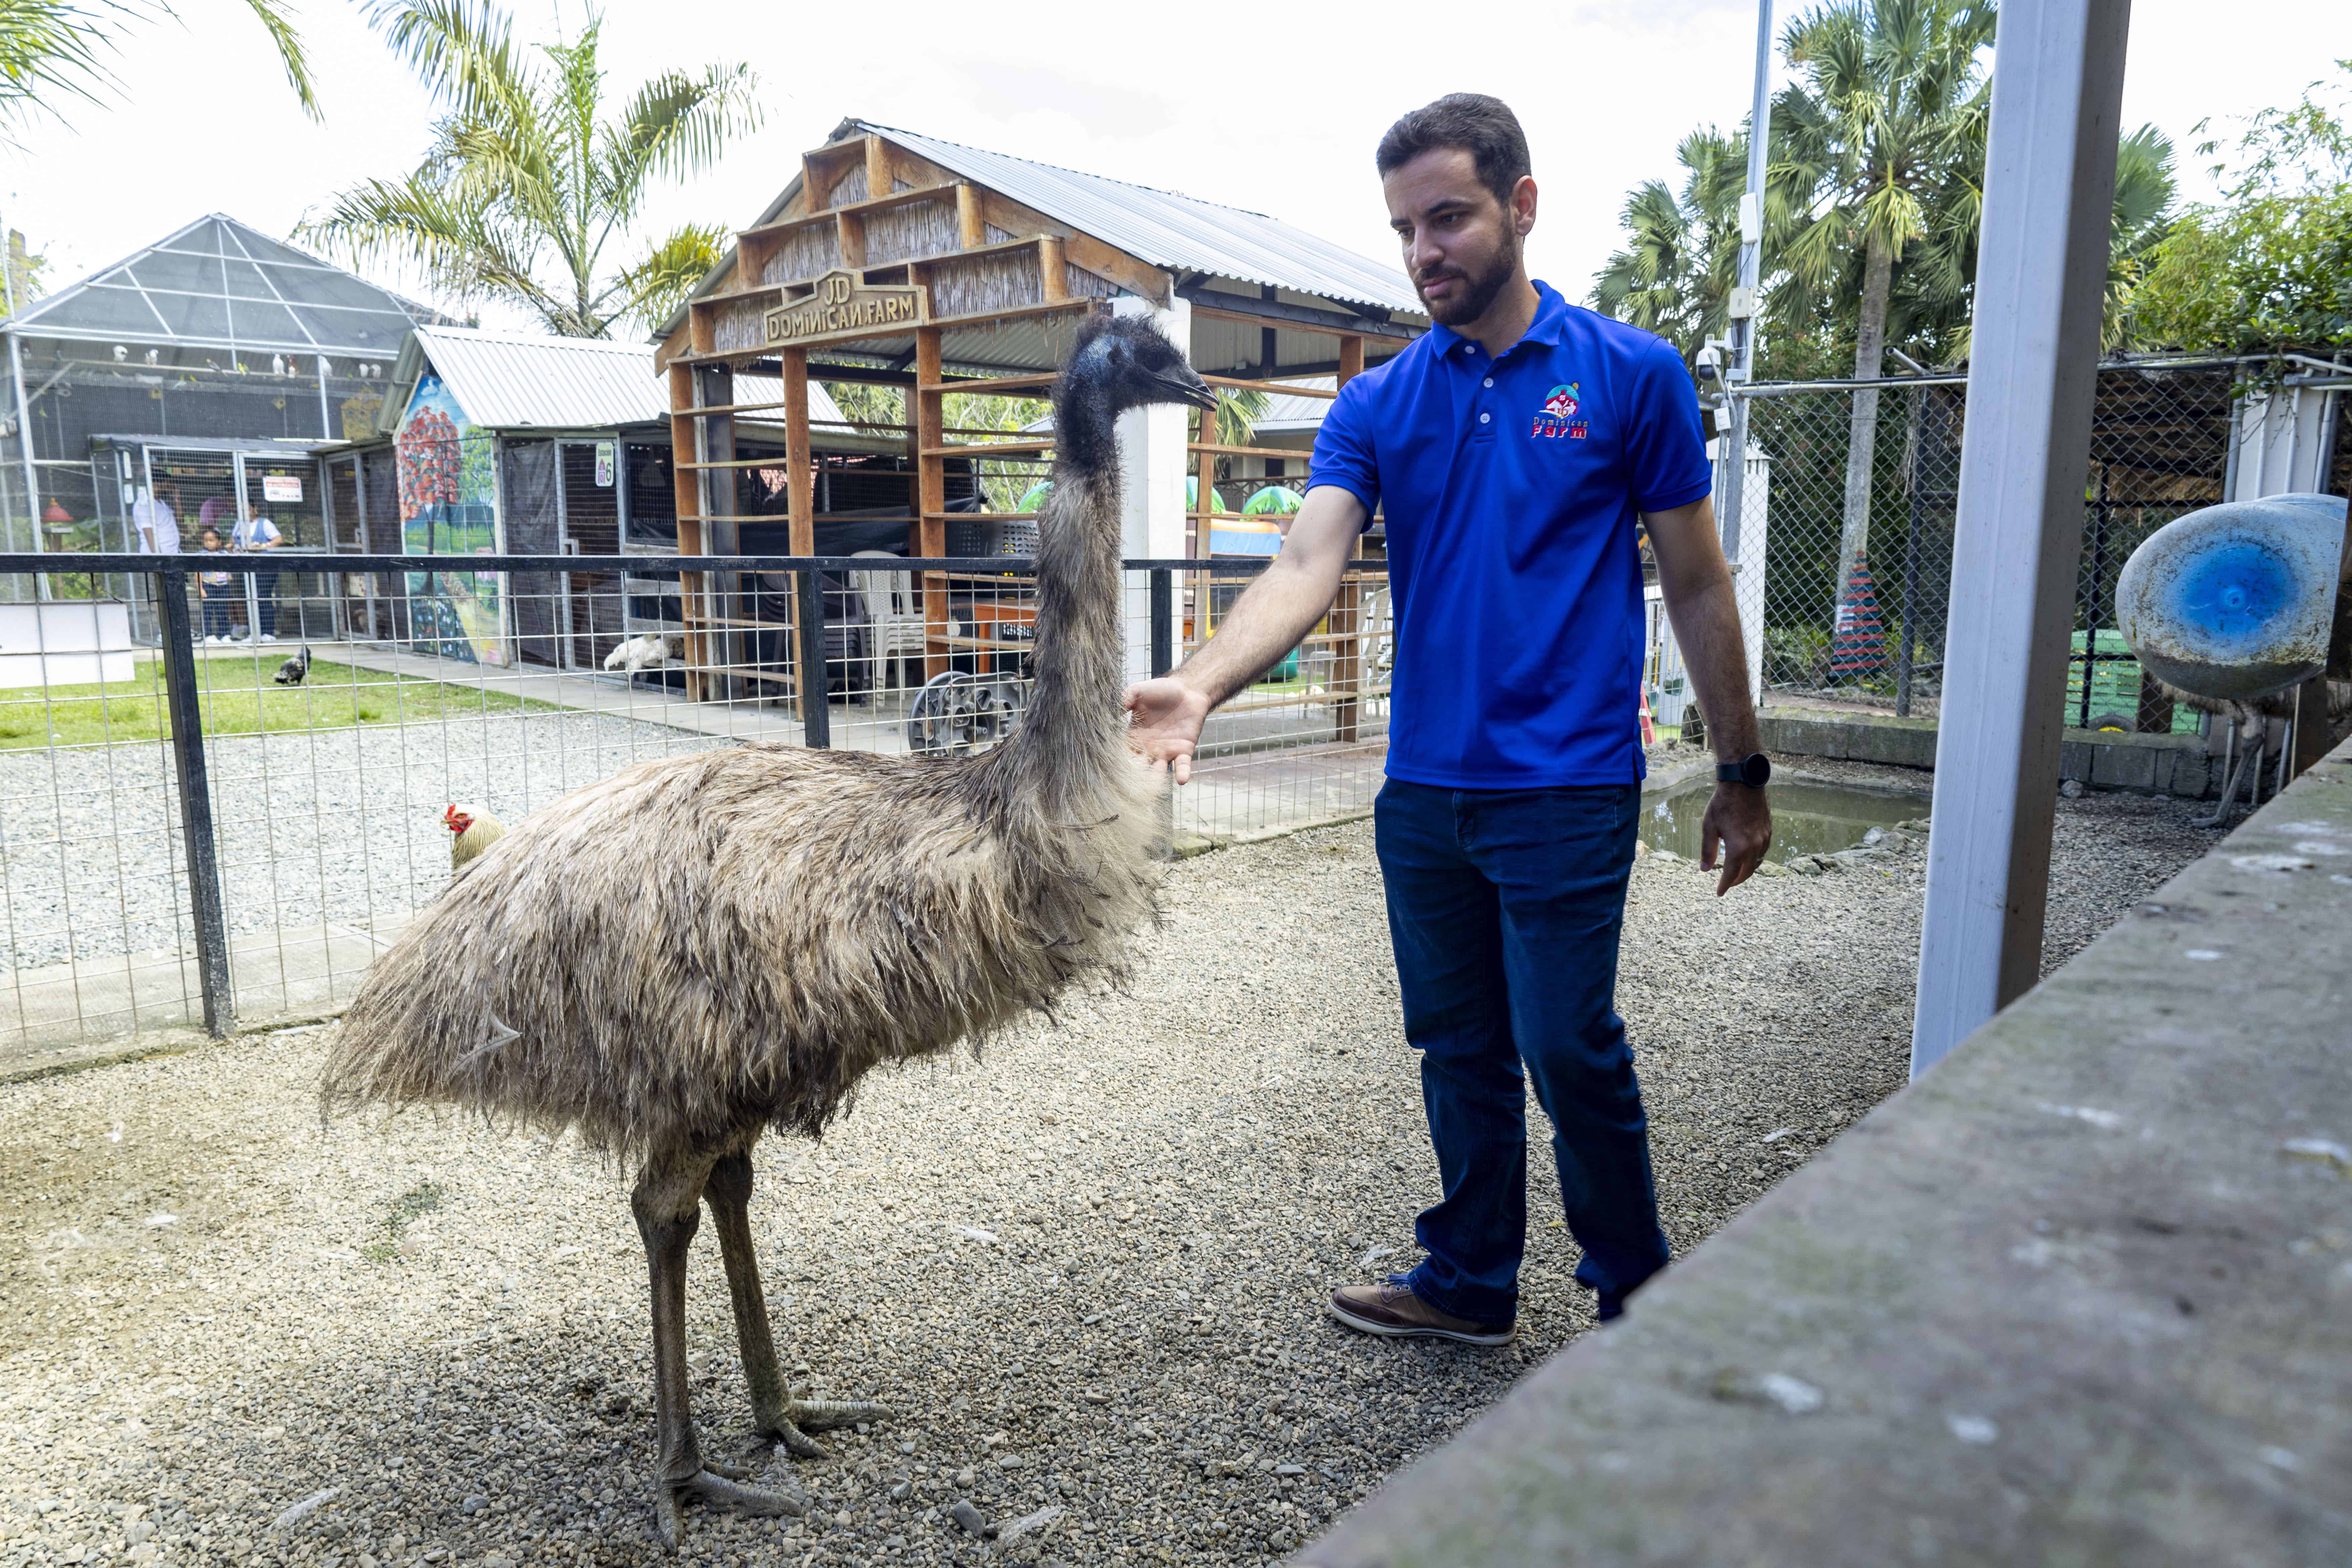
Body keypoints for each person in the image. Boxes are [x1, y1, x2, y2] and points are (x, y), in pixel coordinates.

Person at [1125, 94, 1773, 1342]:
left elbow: (1694, 580)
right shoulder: (1380, 404)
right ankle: (1470, 1282)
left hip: (1567, 782)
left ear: (1520, 207)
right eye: (1405, 227)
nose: (1425, 249)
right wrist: (1202, 680)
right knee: (1457, 1045)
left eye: (1449, 217)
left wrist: (1740, 767)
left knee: (1568, 1046)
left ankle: (1636, 1291)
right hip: (1425, 791)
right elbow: (1309, 560)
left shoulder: (1629, 376)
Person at [232, 500, 285, 642]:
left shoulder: (265, 523)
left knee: (263, 597)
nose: (245, 513)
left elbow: (279, 540)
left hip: (264, 567)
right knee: (249, 598)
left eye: (248, 509)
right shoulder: (239, 525)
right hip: (245, 568)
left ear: (255, 509)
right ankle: (254, 633)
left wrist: (263, 546)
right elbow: (232, 541)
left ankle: (268, 632)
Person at [195, 527, 234, 644]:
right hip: (208, 586)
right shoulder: (201, 554)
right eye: (206, 540)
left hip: (223, 586)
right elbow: (198, 573)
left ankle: (225, 635)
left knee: (223, 611)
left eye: (211, 540)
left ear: (219, 542)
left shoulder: (224, 554)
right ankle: (208, 635)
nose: (208, 543)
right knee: (207, 612)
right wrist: (200, 589)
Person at [130, 481, 180, 555]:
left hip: (173, 553)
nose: (170, 485)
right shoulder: (144, 504)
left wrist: (177, 498)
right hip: (160, 556)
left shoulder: (162, 503)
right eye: (168, 482)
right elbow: (149, 533)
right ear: (156, 483)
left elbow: (179, 521)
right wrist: (159, 559)